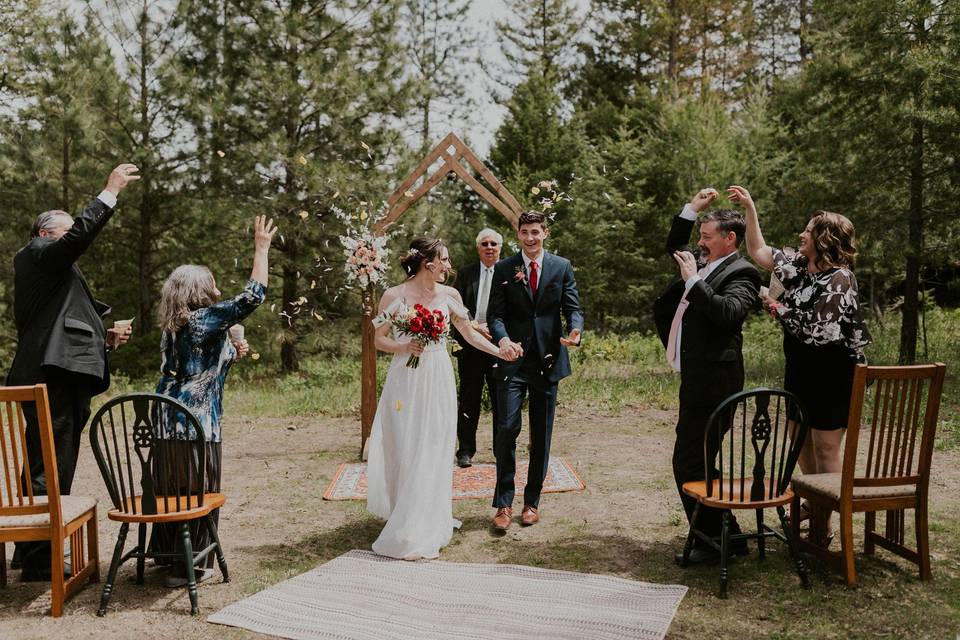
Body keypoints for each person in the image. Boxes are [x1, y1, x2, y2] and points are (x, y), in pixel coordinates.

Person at [7, 164, 139, 581]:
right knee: (52, 465)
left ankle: (28, 551)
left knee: (42, 462)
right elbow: (79, 237)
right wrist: (110, 191)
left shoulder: (49, 269)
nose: (72, 241)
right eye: (66, 234)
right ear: (46, 234)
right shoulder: (37, 254)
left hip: (57, 369)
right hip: (55, 375)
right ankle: (39, 562)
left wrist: (104, 340)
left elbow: (57, 325)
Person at [730, 185, 871, 541]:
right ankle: (815, 503)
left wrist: (776, 306)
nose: (800, 235)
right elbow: (759, 251)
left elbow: (822, 333)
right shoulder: (798, 266)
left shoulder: (840, 278)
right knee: (798, 440)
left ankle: (827, 522)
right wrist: (751, 207)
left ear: (823, 239)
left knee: (825, 447)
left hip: (832, 373)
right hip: (801, 369)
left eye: (807, 231)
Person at [366, 236, 510, 560]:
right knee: (405, 444)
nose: (448, 266)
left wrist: (499, 350)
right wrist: (404, 346)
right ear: (427, 263)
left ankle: (429, 516)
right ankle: (404, 515)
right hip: (406, 379)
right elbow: (378, 338)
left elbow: (469, 333)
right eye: (443, 260)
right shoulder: (394, 296)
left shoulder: (451, 296)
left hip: (439, 375)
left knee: (435, 443)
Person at [150, 215, 276, 587]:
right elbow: (254, 295)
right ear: (198, 291)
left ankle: (170, 554)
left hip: (164, 418)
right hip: (194, 421)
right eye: (211, 283)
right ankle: (190, 565)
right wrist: (261, 248)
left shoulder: (174, 325)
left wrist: (231, 354)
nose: (217, 286)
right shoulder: (203, 319)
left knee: (170, 489)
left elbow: (197, 369)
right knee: (196, 489)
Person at [653, 188, 761, 565]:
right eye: (700, 236)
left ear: (730, 239)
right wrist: (692, 210)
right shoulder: (703, 261)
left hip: (716, 385)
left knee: (690, 462)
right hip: (696, 380)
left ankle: (715, 539)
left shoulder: (742, 272)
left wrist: (693, 282)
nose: (700, 242)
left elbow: (729, 313)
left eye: (707, 236)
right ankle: (723, 535)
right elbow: (673, 245)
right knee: (696, 461)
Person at [487, 210, 583, 531]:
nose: (530, 238)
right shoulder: (504, 268)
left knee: (541, 434)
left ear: (546, 233)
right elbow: (495, 316)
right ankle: (503, 504)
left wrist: (575, 331)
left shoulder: (561, 266)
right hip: (513, 361)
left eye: (535, 232)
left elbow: (572, 307)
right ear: (518, 234)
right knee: (506, 429)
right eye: (524, 232)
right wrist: (501, 339)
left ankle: (532, 502)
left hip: (548, 361)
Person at [452, 227, 503, 468]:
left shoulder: (509, 273)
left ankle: (501, 449)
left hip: (499, 344)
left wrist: (497, 330)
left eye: (494, 244)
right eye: (485, 244)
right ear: (478, 248)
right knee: (469, 398)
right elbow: (457, 307)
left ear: (500, 248)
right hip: (470, 345)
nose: (489, 247)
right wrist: (474, 327)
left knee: (501, 400)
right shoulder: (465, 274)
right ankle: (465, 451)